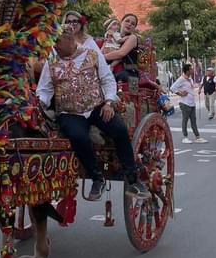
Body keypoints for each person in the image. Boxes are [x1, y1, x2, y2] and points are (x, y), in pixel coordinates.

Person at [36, 30, 148, 200]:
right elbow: (44, 89)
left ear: (69, 40)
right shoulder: (52, 59)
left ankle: (132, 178)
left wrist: (109, 102)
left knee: (119, 128)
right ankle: (97, 177)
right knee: (77, 136)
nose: (54, 47)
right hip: (69, 111)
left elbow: (107, 79)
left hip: (96, 106)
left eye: (57, 42)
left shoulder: (92, 54)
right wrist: (38, 104)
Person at [171, 62, 207, 143]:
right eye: (191, 69)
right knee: (185, 120)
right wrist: (180, 93)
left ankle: (197, 137)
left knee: (193, 120)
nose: (192, 70)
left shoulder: (190, 79)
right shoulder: (181, 79)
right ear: (187, 71)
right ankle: (185, 137)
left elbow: (191, 88)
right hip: (185, 103)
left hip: (192, 102)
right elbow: (172, 88)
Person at [103, 13, 140, 82]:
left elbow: (121, 53)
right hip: (113, 72)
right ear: (121, 22)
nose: (129, 24)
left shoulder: (132, 38)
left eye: (133, 24)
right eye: (127, 21)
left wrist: (101, 57)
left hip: (128, 75)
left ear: (134, 28)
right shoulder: (113, 36)